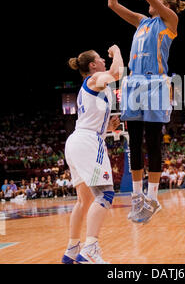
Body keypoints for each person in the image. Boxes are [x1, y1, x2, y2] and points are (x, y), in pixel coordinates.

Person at [108, 0, 185, 224]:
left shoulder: (170, 21)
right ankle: (137, 198)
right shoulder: (142, 22)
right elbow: (113, 5)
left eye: (155, 1)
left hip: (157, 84)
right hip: (134, 84)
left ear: (162, 4)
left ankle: (153, 197)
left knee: (152, 142)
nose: (148, 3)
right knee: (135, 143)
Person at [61, 45, 123, 264]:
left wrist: (107, 127)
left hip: (78, 140)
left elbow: (91, 121)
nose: (103, 61)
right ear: (92, 65)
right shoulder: (95, 78)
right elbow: (116, 73)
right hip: (88, 142)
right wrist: (116, 52)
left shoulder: (90, 87)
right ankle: (90, 249)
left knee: (83, 201)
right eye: (100, 59)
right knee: (105, 194)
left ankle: (71, 250)